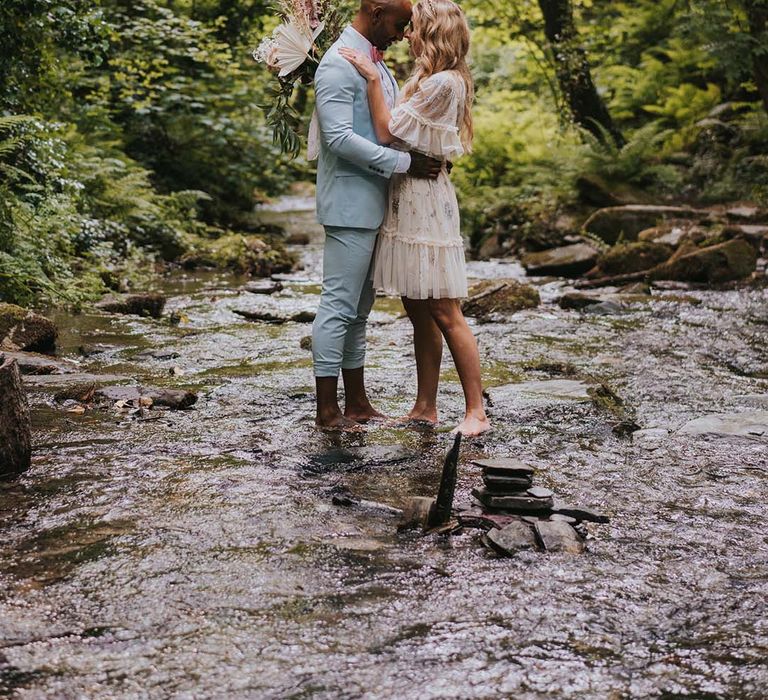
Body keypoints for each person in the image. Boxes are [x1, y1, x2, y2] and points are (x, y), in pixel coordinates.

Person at [339, 0, 490, 436]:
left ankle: (475, 411)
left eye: (415, 28)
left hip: (425, 200)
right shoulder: (428, 78)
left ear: (434, 32)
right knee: (417, 307)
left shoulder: (444, 82)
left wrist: (370, 79)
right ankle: (426, 406)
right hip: (408, 194)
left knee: (443, 307)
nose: (407, 34)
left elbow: (387, 133)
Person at [311, 0, 444, 430]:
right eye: (400, 23)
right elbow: (338, 139)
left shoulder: (373, 62)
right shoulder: (336, 65)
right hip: (349, 205)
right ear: (375, 9)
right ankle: (327, 410)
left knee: (360, 309)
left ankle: (358, 402)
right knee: (338, 305)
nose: (404, 33)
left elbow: (386, 127)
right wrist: (405, 165)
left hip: (375, 204)